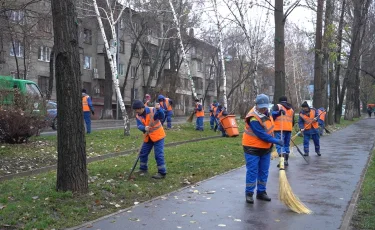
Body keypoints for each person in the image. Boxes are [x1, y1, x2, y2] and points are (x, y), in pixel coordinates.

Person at [243, 94, 284, 204]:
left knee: (264, 171)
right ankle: (249, 193)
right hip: (252, 148)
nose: (263, 109)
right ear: (256, 105)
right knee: (252, 171)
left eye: (265, 107)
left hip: (265, 148)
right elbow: (261, 134)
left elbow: (270, 118)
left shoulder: (266, 112)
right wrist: (276, 141)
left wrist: (278, 113)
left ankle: (261, 192)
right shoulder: (253, 117)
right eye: (261, 107)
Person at [133, 99, 167, 179]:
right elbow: (139, 125)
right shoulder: (138, 116)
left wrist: (159, 109)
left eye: (137, 110)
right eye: (135, 110)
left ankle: (162, 173)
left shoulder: (153, 110)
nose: (136, 112)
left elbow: (162, 117)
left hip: (158, 136)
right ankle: (143, 169)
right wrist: (144, 128)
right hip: (148, 136)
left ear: (142, 108)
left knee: (158, 154)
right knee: (143, 153)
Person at [271, 96, 294, 167]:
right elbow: (293, 121)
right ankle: (286, 161)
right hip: (288, 129)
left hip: (279, 128)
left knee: (280, 145)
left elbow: (271, 114)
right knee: (286, 145)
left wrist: (278, 112)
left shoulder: (278, 106)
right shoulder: (291, 109)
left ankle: (282, 162)